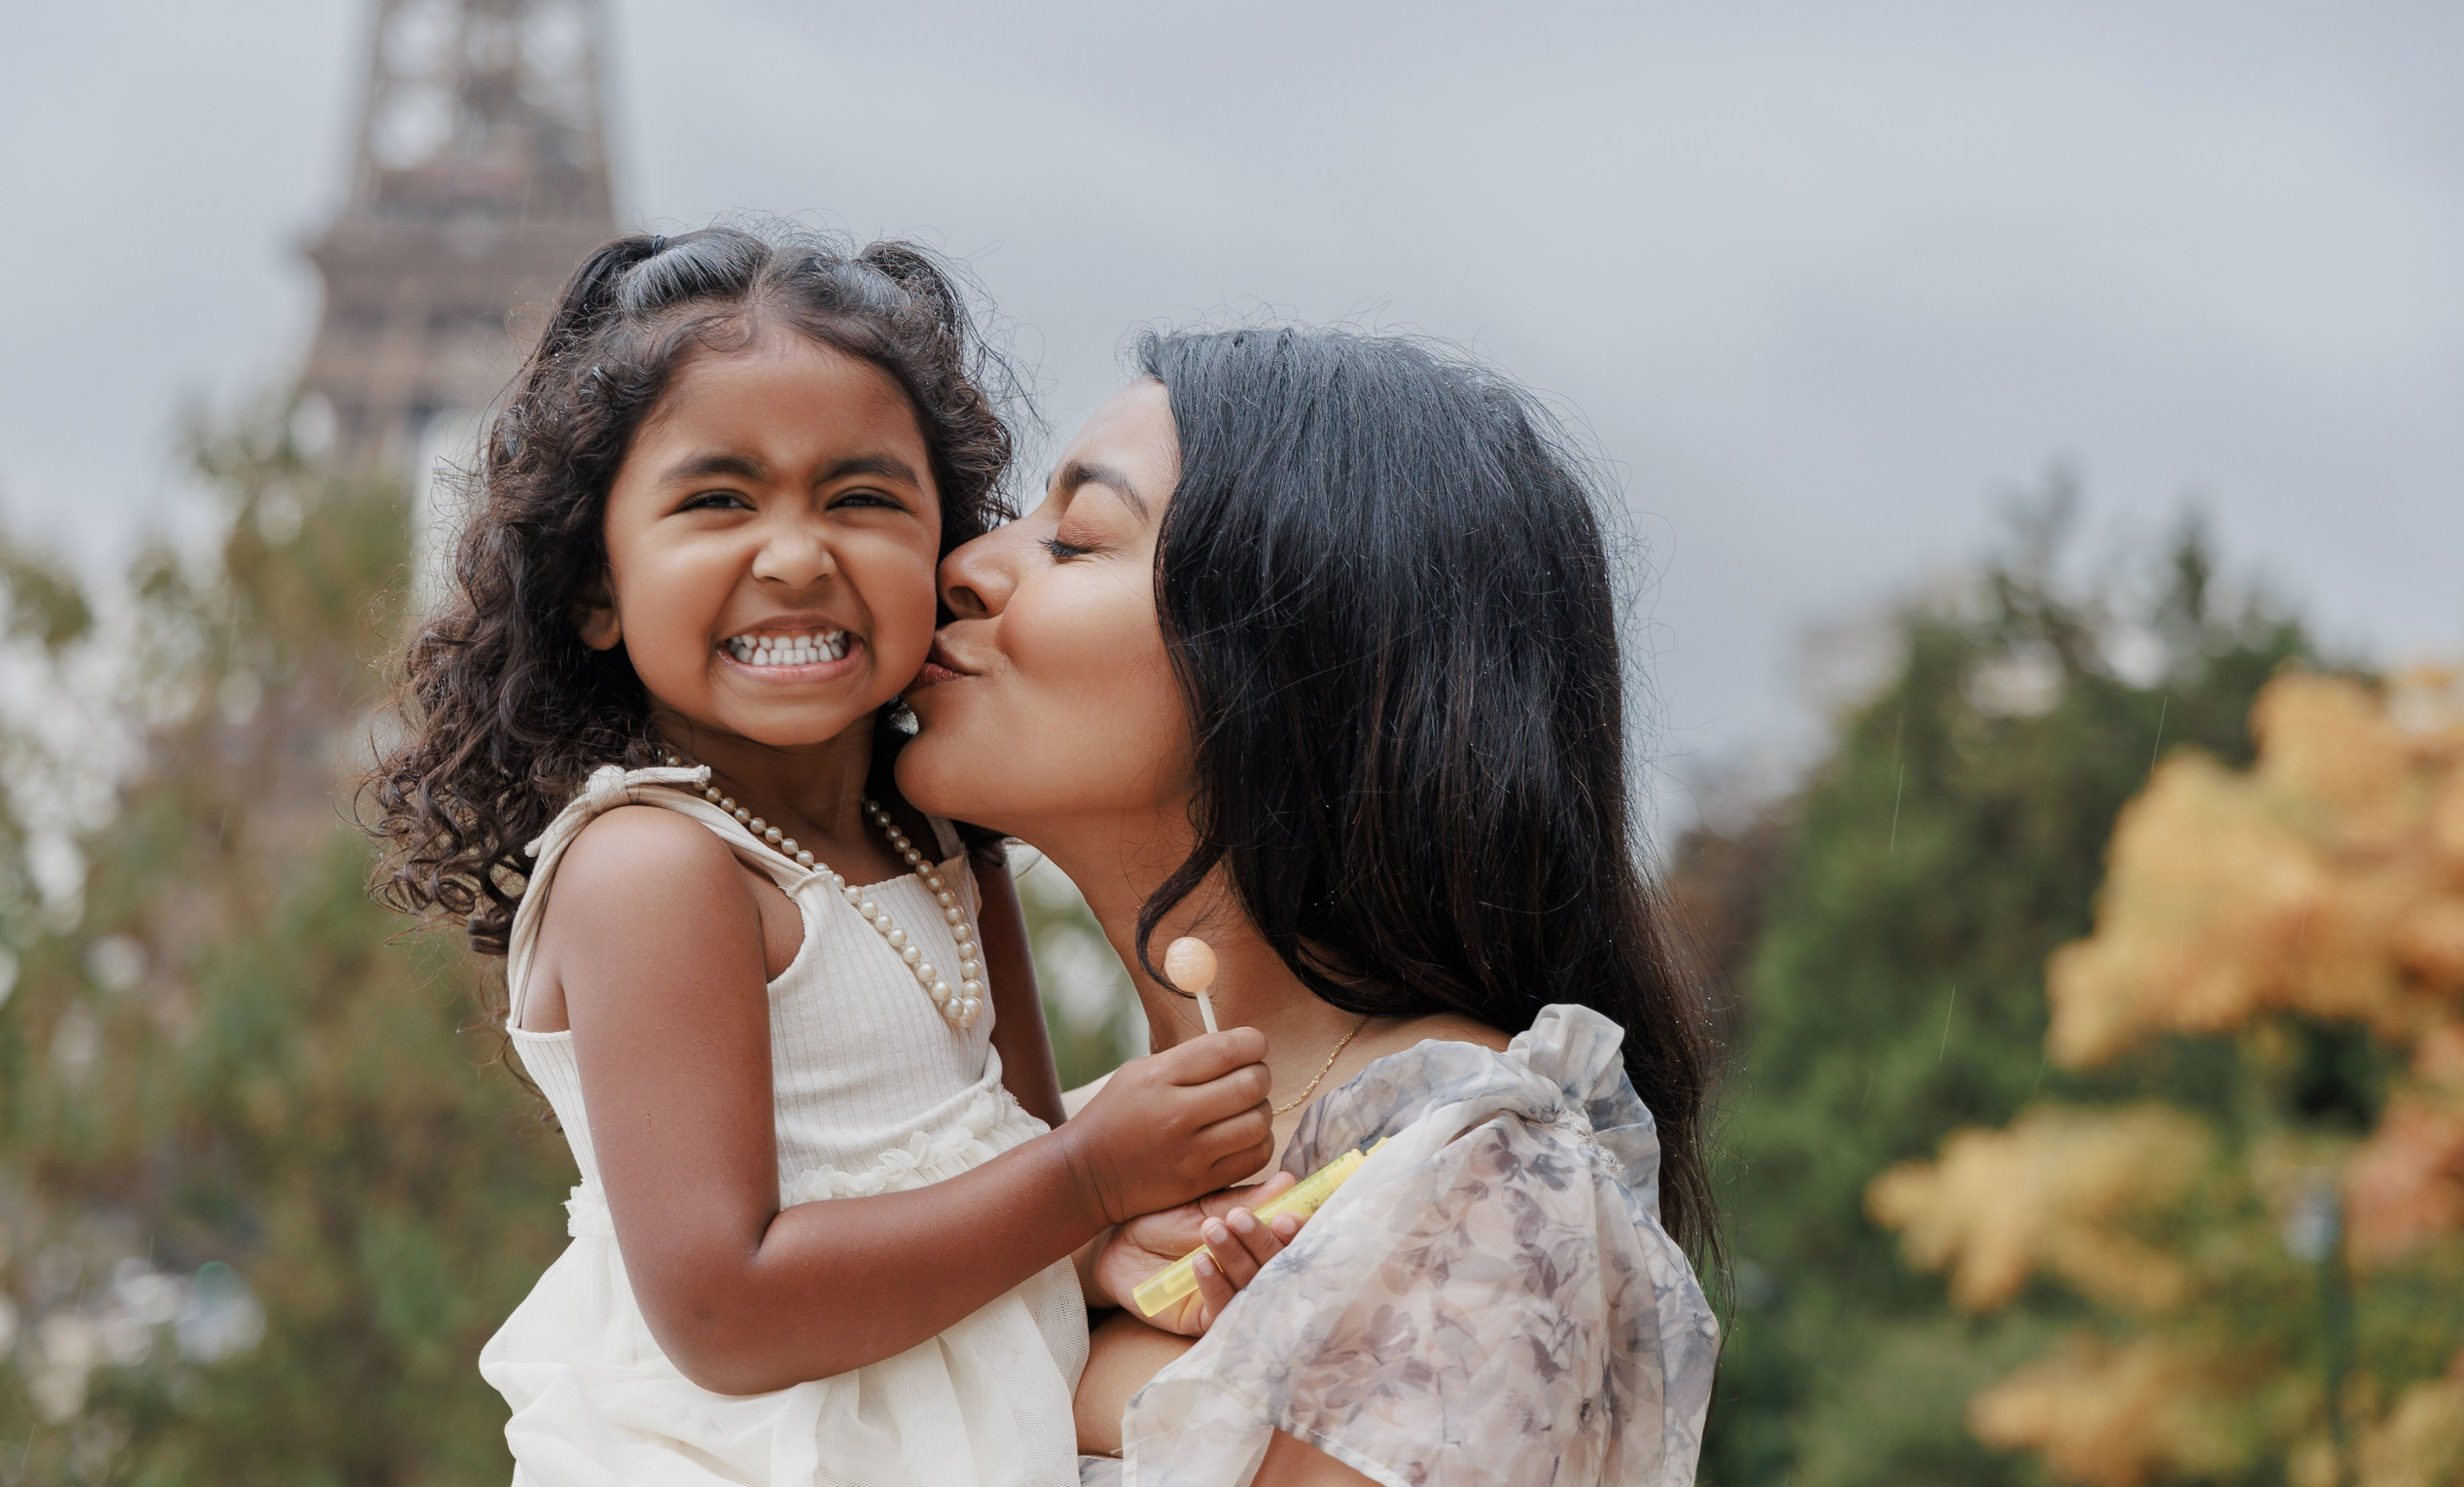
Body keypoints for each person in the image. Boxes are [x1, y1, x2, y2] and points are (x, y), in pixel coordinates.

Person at [366, 230, 1298, 1486]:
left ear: (943, 552)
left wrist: (1109, 1245)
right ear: (596, 585)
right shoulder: (658, 867)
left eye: (862, 498)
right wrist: (1086, 1178)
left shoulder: (936, 846)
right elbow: (724, 1310)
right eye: (717, 500)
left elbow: (997, 1170)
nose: (798, 553)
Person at [897, 328, 1723, 1486]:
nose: (968, 562)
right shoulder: (1034, 1163)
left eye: (1076, 540)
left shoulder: (1478, 1181)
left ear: (1304, 654)